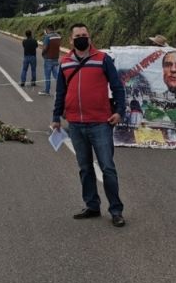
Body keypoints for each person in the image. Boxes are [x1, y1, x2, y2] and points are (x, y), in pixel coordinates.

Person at [51, 23, 127, 227]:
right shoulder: (65, 63)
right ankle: (92, 205)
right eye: (78, 36)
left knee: (107, 167)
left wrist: (119, 111)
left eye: (84, 35)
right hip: (75, 123)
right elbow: (61, 92)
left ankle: (116, 210)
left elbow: (117, 87)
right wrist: (56, 117)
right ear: (71, 40)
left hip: (100, 123)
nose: (81, 38)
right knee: (85, 168)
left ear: (90, 38)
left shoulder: (103, 59)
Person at [39, 25, 61, 96]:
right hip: (56, 58)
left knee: (47, 76)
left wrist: (43, 53)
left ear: (48, 29)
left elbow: (45, 48)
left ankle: (47, 91)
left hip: (48, 58)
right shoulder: (58, 36)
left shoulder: (47, 37)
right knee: (56, 76)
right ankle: (61, 89)